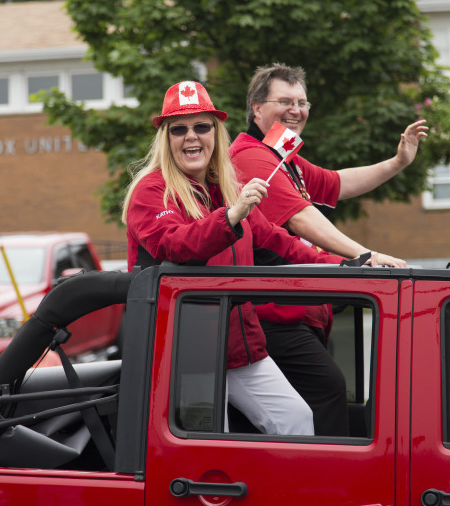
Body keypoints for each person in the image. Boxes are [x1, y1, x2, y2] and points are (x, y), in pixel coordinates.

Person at [122, 80, 344, 438]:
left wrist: (348, 268)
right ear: (165, 139)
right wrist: (231, 215)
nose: (191, 137)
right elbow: (176, 244)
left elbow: (279, 243)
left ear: (216, 132)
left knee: (297, 421)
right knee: (207, 447)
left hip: (242, 348)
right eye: (179, 129)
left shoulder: (228, 188)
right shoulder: (151, 190)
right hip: (185, 354)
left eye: (202, 127)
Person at [229, 63, 429, 436]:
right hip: (270, 316)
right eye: (284, 101)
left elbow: (337, 182)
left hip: (291, 315)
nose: (296, 110)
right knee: (327, 391)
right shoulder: (252, 156)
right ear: (256, 108)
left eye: (302, 102)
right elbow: (301, 218)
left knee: (297, 409)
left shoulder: (280, 155)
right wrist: (364, 257)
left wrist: (398, 161)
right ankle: (328, 486)